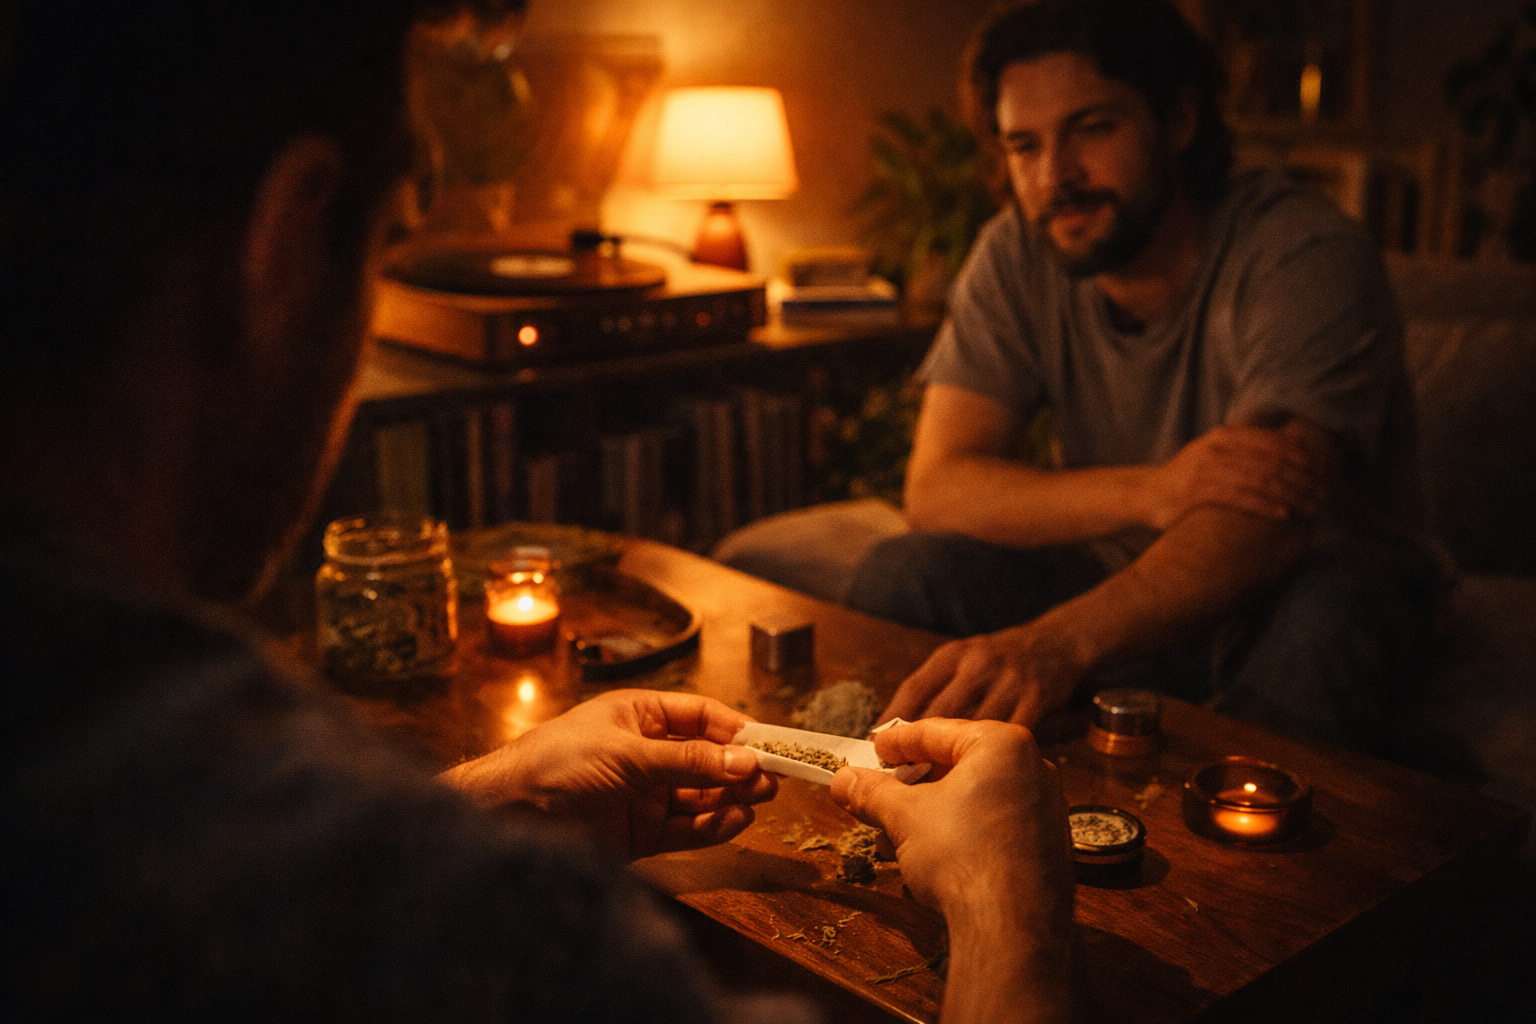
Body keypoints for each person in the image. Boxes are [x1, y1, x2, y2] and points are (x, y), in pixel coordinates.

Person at [0, 2, 1074, 1021]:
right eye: (383, 253)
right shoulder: (494, 930)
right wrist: (1006, 909)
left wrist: (494, 790)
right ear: (281, 242)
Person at [849, 0, 1450, 751]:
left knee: (1329, 613)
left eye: (1092, 129)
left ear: (1179, 121)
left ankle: (1236, 864)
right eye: (1023, 145)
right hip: (1127, 584)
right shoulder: (1016, 252)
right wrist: (1157, 488)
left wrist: (1060, 646)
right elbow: (938, 488)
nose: (1054, 177)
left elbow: (1264, 518)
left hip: (1307, 578)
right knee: (905, 572)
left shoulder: (1302, 250)